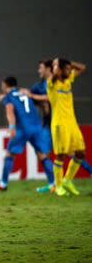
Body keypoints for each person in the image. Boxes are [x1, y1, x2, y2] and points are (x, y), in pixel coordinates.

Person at [20, 60, 92, 185]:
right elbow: (29, 98)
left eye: (41, 68)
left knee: (68, 153)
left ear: (49, 69)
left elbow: (47, 96)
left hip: (62, 123)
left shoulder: (60, 81)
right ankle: (54, 183)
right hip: (50, 122)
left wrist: (32, 96)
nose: (39, 71)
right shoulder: (39, 86)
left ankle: (57, 182)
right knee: (44, 152)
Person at [0, 77, 55, 192]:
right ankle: (53, 183)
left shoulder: (8, 97)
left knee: (9, 154)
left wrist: (12, 126)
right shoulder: (24, 93)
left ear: (5, 85)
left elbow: (9, 109)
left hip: (22, 127)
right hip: (36, 126)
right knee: (43, 155)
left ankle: (3, 184)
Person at [46, 58, 87, 196]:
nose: (70, 71)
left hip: (72, 124)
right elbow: (55, 74)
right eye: (67, 69)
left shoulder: (68, 81)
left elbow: (82, 67)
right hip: (59, 124)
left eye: (70, 69)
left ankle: (68, 180)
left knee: (81, 153)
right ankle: (58, 186)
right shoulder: (52, 83)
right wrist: (57, 64)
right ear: (60, 70)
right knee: (60, 155)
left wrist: (70, 63)